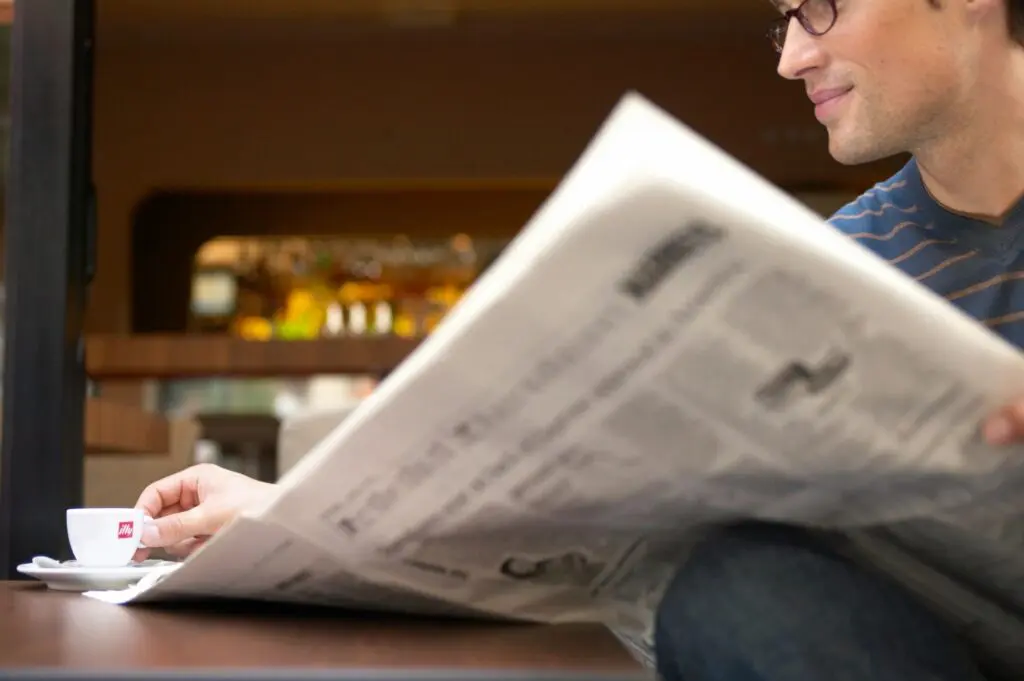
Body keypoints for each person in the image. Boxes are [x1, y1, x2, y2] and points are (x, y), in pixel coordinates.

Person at [135, 0, 1024, 678]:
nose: (793, 56)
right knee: (730, 587)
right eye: (780, 19)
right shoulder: (848, 266)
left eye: (823, 4)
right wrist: (283, 518)